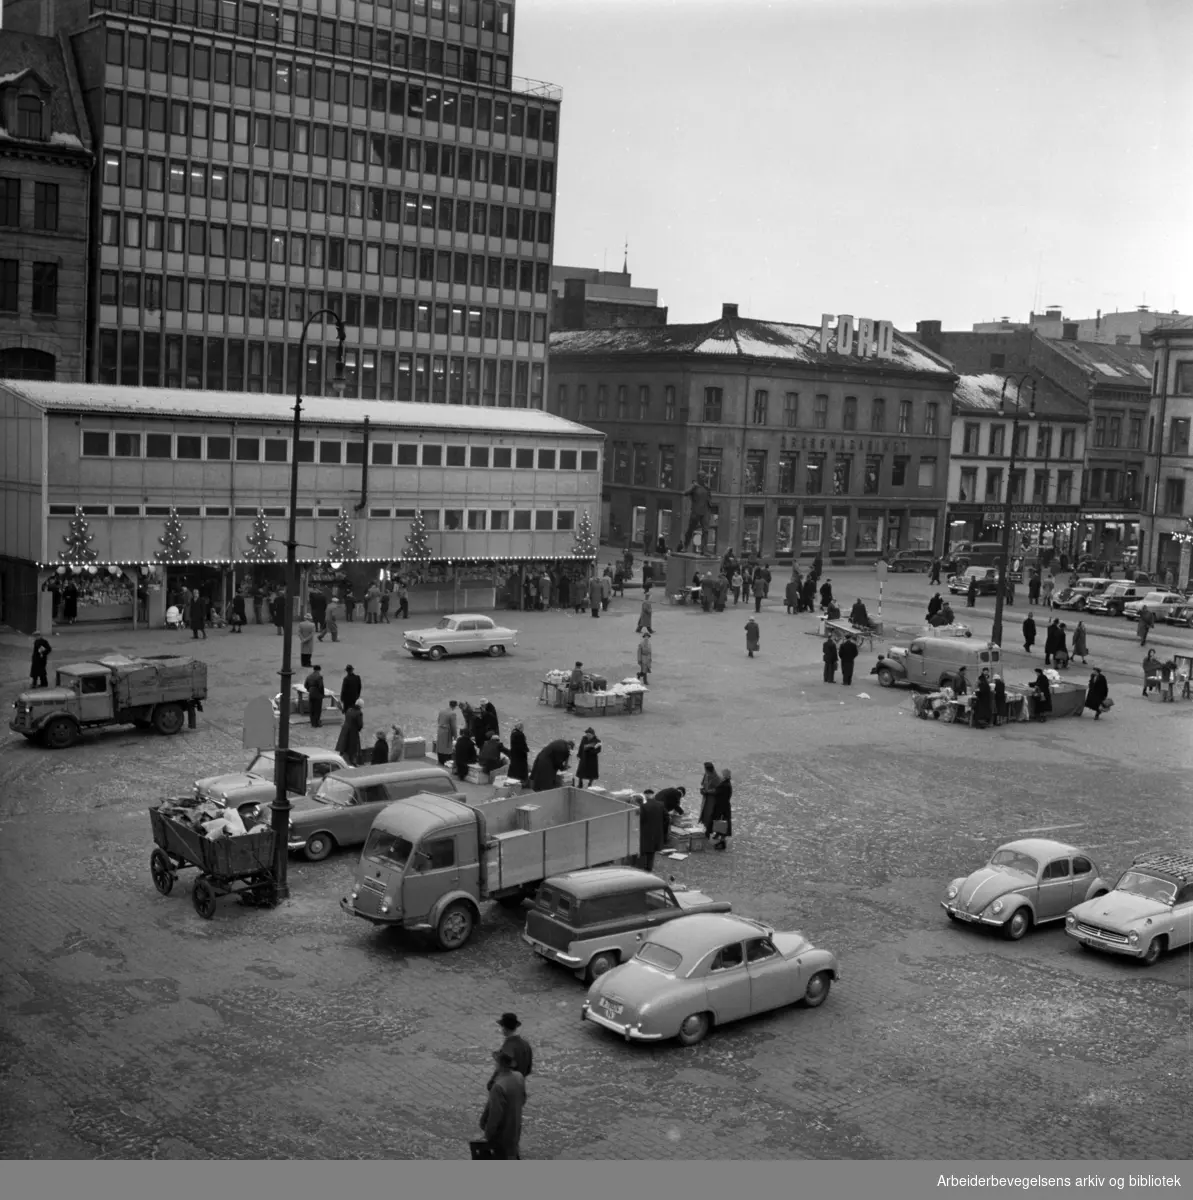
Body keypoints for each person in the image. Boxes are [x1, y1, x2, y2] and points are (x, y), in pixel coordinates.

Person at [480, 1050, 526, 1160]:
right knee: (513, 1154)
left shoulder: (498, 1087)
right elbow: (523, 1099)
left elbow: (495, 1115)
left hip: (502, 1135)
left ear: (499, 1064)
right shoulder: (519, 1077)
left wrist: (488, 1135)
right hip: (515, 1128)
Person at [638, 790, 670, 872]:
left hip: (645, 832)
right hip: (656, 833)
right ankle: (649, 869)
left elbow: (640, 819)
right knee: (651, 852)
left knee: (643, 850)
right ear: (653, 795)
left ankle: (641, 868)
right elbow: (667, 818)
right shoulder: (660, 804)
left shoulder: (643, 805)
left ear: (645, 795)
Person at [708, 769, 733, 851]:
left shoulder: (724, 785)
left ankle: (722, 842)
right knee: (721, 822)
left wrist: (706, 791)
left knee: (722, 823)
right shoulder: (726, 784)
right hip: (724, 806)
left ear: (725, 776)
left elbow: (716, 792)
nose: (721, 776)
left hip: (722, 807)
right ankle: (719, 836)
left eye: (722, 775)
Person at [698, 762, 721, 833]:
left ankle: (710, 830)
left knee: (710, 814)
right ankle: (706, 828)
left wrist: (708, 791)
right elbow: (702, 784)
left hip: (712, 799)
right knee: (704, 813)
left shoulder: (716, 778)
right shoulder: (706, 775)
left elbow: (718, 790)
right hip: (706, 798)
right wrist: (702, 790)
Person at [436, 699, 459, 766]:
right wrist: (455, 736)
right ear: (455, 706)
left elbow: (438, 720)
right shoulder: (452, 713)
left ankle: (440, 761)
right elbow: (453, 726)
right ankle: (445, 762)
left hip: (440, 730)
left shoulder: (442, 711)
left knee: (440, 747)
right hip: (447, 732)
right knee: (447, 748)